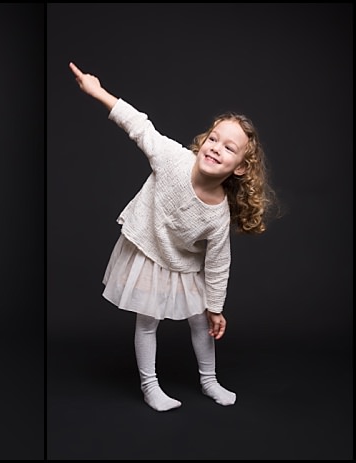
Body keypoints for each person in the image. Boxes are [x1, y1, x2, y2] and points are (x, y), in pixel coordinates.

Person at [69, 62, 277, 412]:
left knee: (200, 320)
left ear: (240, 167)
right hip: (149, 248)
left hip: (182, 261)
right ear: (203, 141)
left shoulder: (218, 213)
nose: (216, 148)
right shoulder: (173, 159)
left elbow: (217, 264)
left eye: (229, 148)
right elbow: (138, 125)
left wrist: (216, 308)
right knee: (147, 321)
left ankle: (209, 381)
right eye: (213, 139)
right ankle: (150, 386)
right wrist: (97, 91)